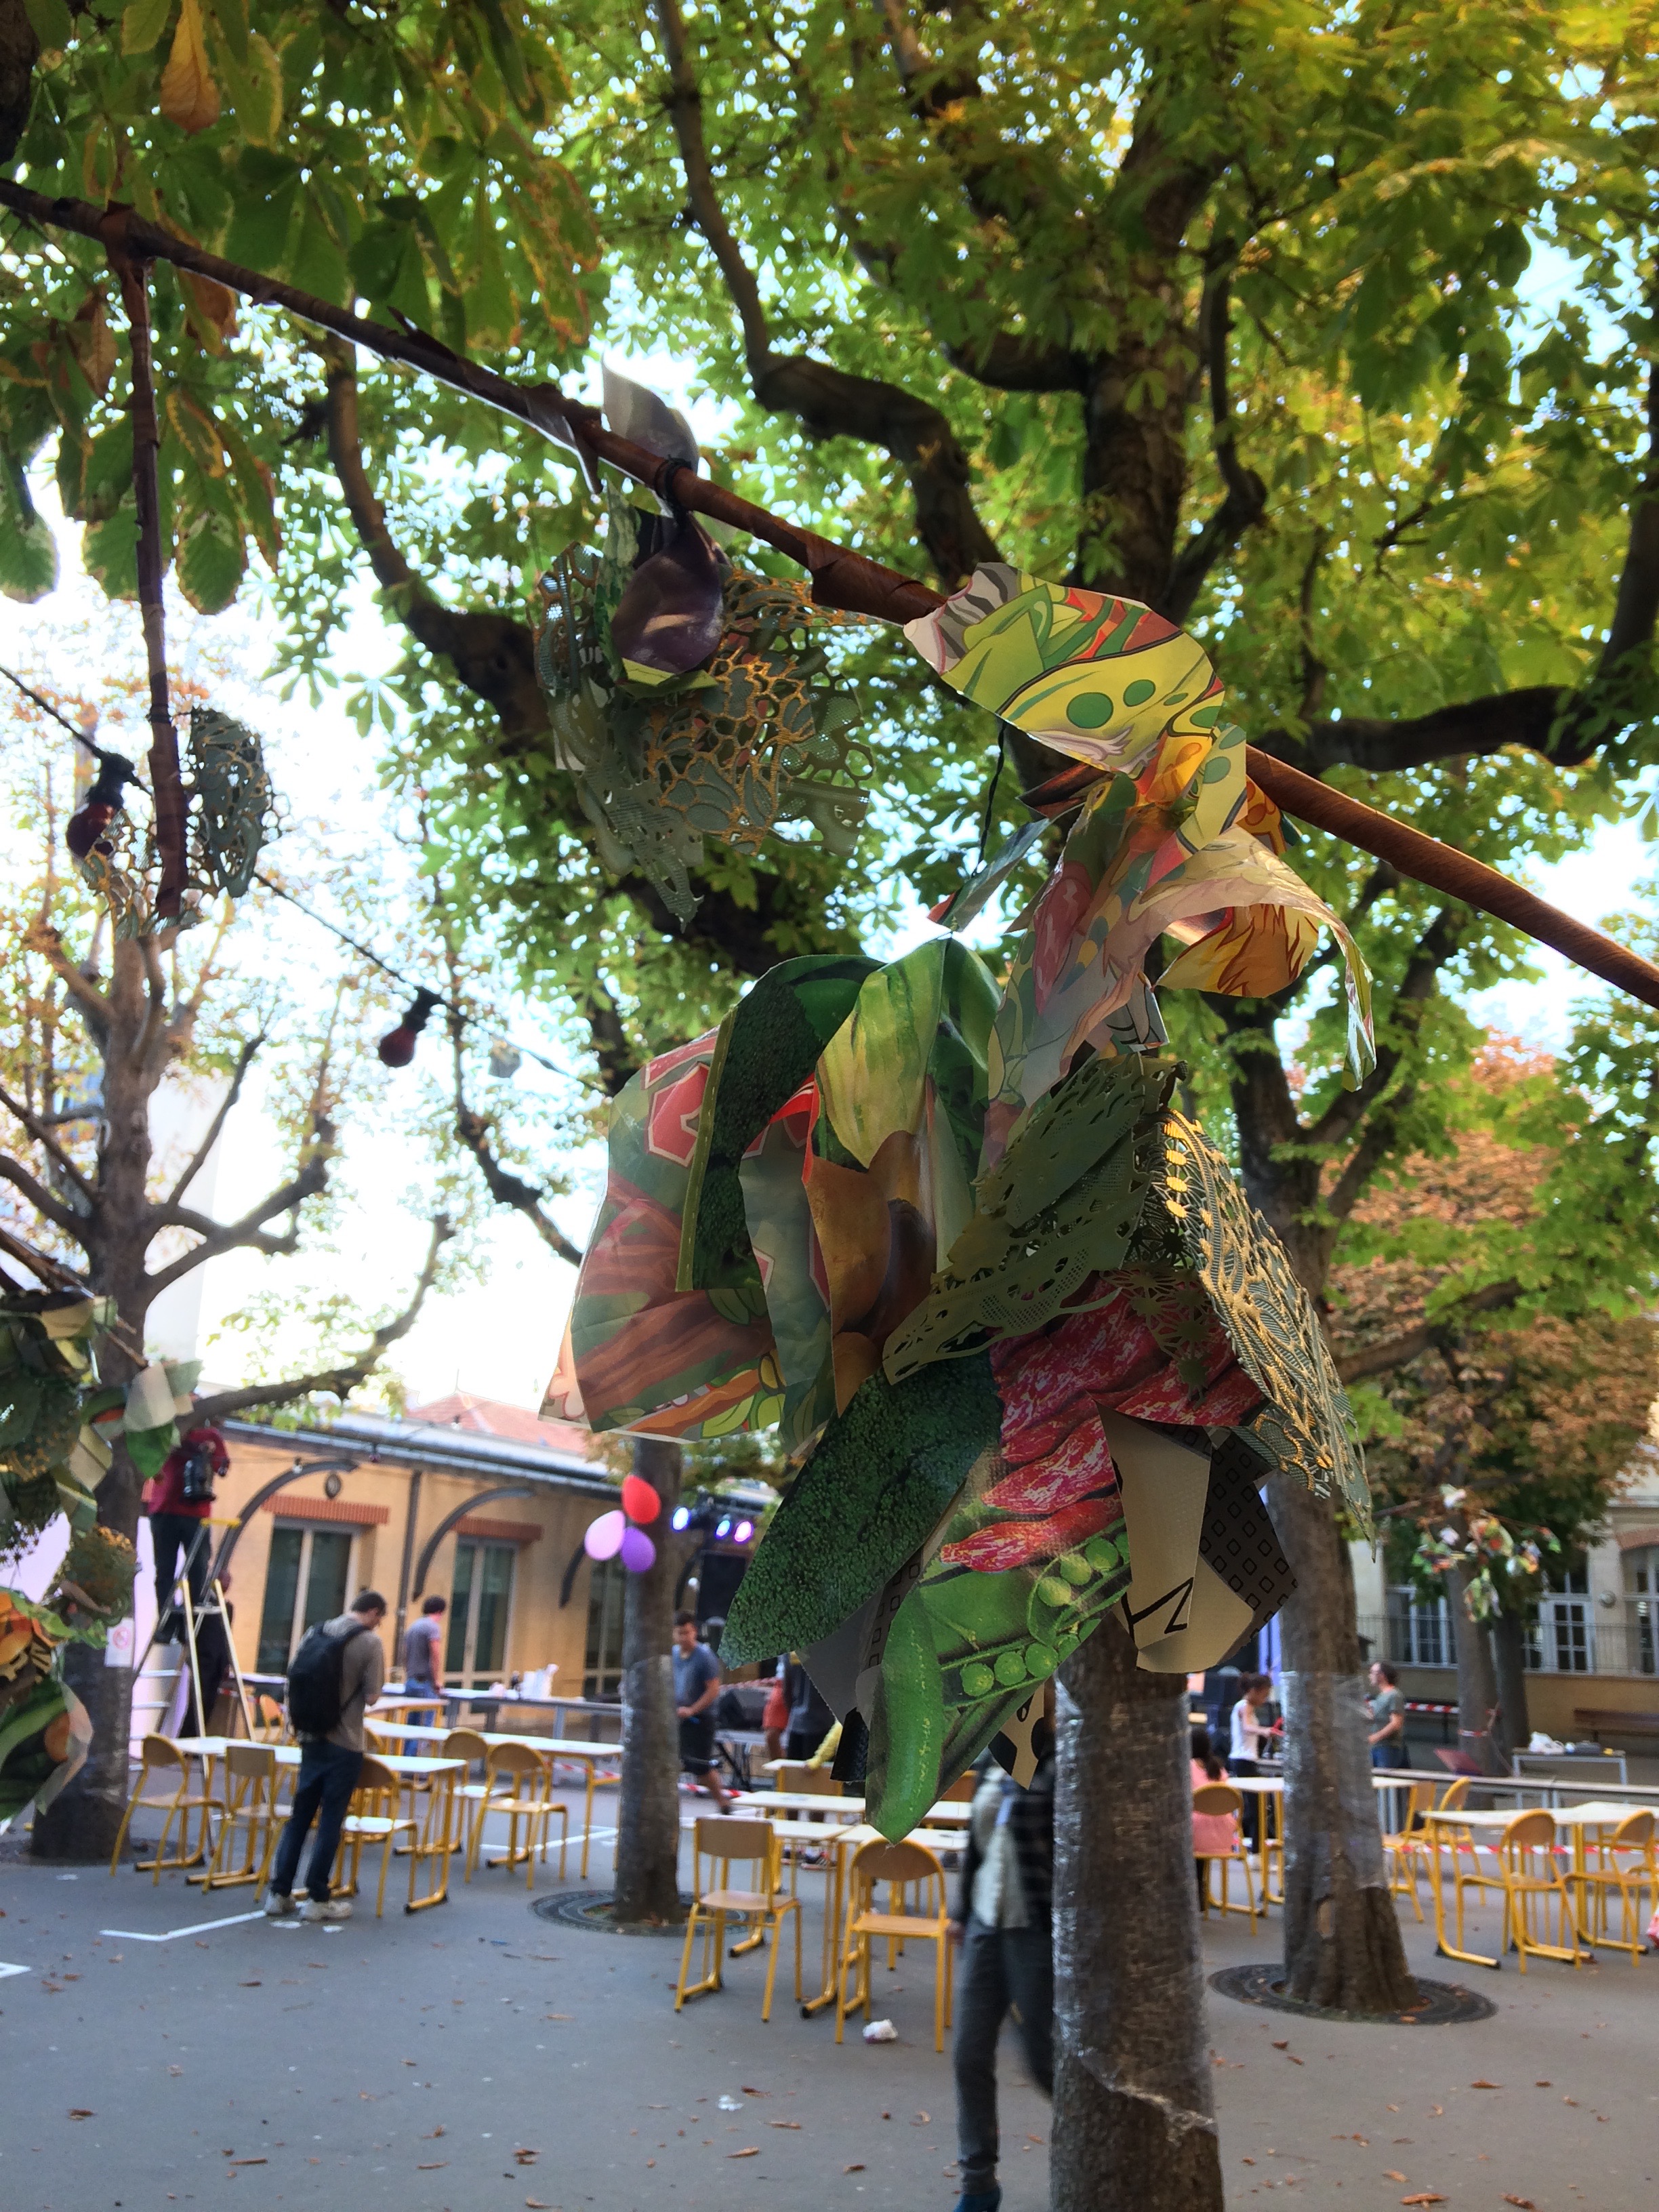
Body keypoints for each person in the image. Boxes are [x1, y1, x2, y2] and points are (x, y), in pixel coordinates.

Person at [948, 1719, 1054, 2212]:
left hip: (1035, 1929)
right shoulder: (990, 1758)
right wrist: (959, 1915)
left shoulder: (1059, 1761)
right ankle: (979, 2185)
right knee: (969, 2054)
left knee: (1045, 2063)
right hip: (986, 1925)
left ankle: (1094, 2156)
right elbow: (976, 1842)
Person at [264, 1590, 387, 1923]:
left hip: (309, 1736)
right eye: (380, 1619)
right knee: (331, 1819)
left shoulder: (315, 1632)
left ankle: (279, 1892)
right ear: (374, 1613)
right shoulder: (370, 1643)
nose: (378, 1625)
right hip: (344, 1740)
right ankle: (318, 1897)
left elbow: (293, 1676)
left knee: (300, 1816)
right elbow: (373, 1696)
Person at [142, 1412, 228, 1640]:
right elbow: (149, 1461)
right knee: (165, 1571)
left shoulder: (210, 1435)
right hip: (164, 1510)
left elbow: (223, 1467)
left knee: (198, 1570)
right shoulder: (166, 1433)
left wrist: (209, 1451)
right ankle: (166, 1624)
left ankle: (190, 1627)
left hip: (196, 1513)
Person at [672, 1610, 731, 1811]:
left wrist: (692, 1710)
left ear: (694, 1632)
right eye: (679, 1633)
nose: (683, 1638)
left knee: (702, 1768)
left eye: (686, 1633)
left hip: (702, 1719)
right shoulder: (673, 1655)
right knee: (672, 1761)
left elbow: (713, 1689)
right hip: (678, 1718)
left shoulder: (704, 1657)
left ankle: (723, 1802)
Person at [1227, 1673, 1279, 1847]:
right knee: (1256, 1809)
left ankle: (1248, 1846)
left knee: (1254, 1807)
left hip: (1245, 1759)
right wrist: (1264, 1731)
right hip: (1243, 1760)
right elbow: (1247, 1727)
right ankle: (1254, 1851)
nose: (1265, 1699)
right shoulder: (1245, 1706)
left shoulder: (1243, 1706)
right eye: (1264, 1694)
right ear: (1253, 1691)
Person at [1191, 1725, 1237, 1910]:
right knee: (1201, 1825)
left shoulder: (1187, 1767)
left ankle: (1193, 1892)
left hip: (1197, 1836)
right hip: (1225, 1836)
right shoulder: (1219, 1768)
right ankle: (1201, 1893)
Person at [1368, 1658, 1407, 1830]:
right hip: (1376, 1748)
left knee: (1386, 1789)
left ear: (1382, 1675)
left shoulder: (1394, 1695)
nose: (1370, 1676)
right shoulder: (1380, 1697)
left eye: (1373, 1672)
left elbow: (1396, 1723)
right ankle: (1382, 1826)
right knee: (1377, 1787)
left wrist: (1376, 1737)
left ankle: (1391, 1827)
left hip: (1387, 1747)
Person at [403, 1593, 446, 1723]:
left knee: (411, 1723)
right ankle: (422, 1744)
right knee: (425, 1724)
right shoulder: (433, 1627)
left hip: (411, 1681)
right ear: (440, 1611)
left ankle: (409, 1744)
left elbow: (406, 1655)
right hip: (425, 1682)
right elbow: (435, 1655)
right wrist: (436, 1681)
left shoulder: (413, 1627)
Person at [784, 1654, 834, 1761]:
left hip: (796, 1722)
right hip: (823, 1723)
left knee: (794, 1773)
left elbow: (786, 1688)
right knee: (819, 1775)